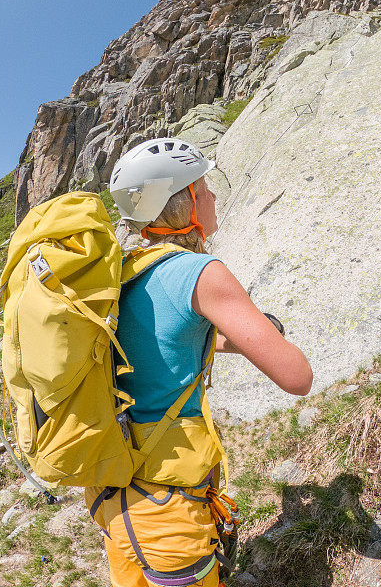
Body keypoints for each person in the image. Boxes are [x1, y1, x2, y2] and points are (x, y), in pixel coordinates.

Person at [87, 137, 312, 587]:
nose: (211, 196)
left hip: (114, 498)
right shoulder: (200, 273)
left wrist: (241, 338)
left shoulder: (120, 272)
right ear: (181, 202)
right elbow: (297, 377)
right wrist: (265, 335)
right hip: (169, 512)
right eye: (202, 187)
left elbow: (162, 343)